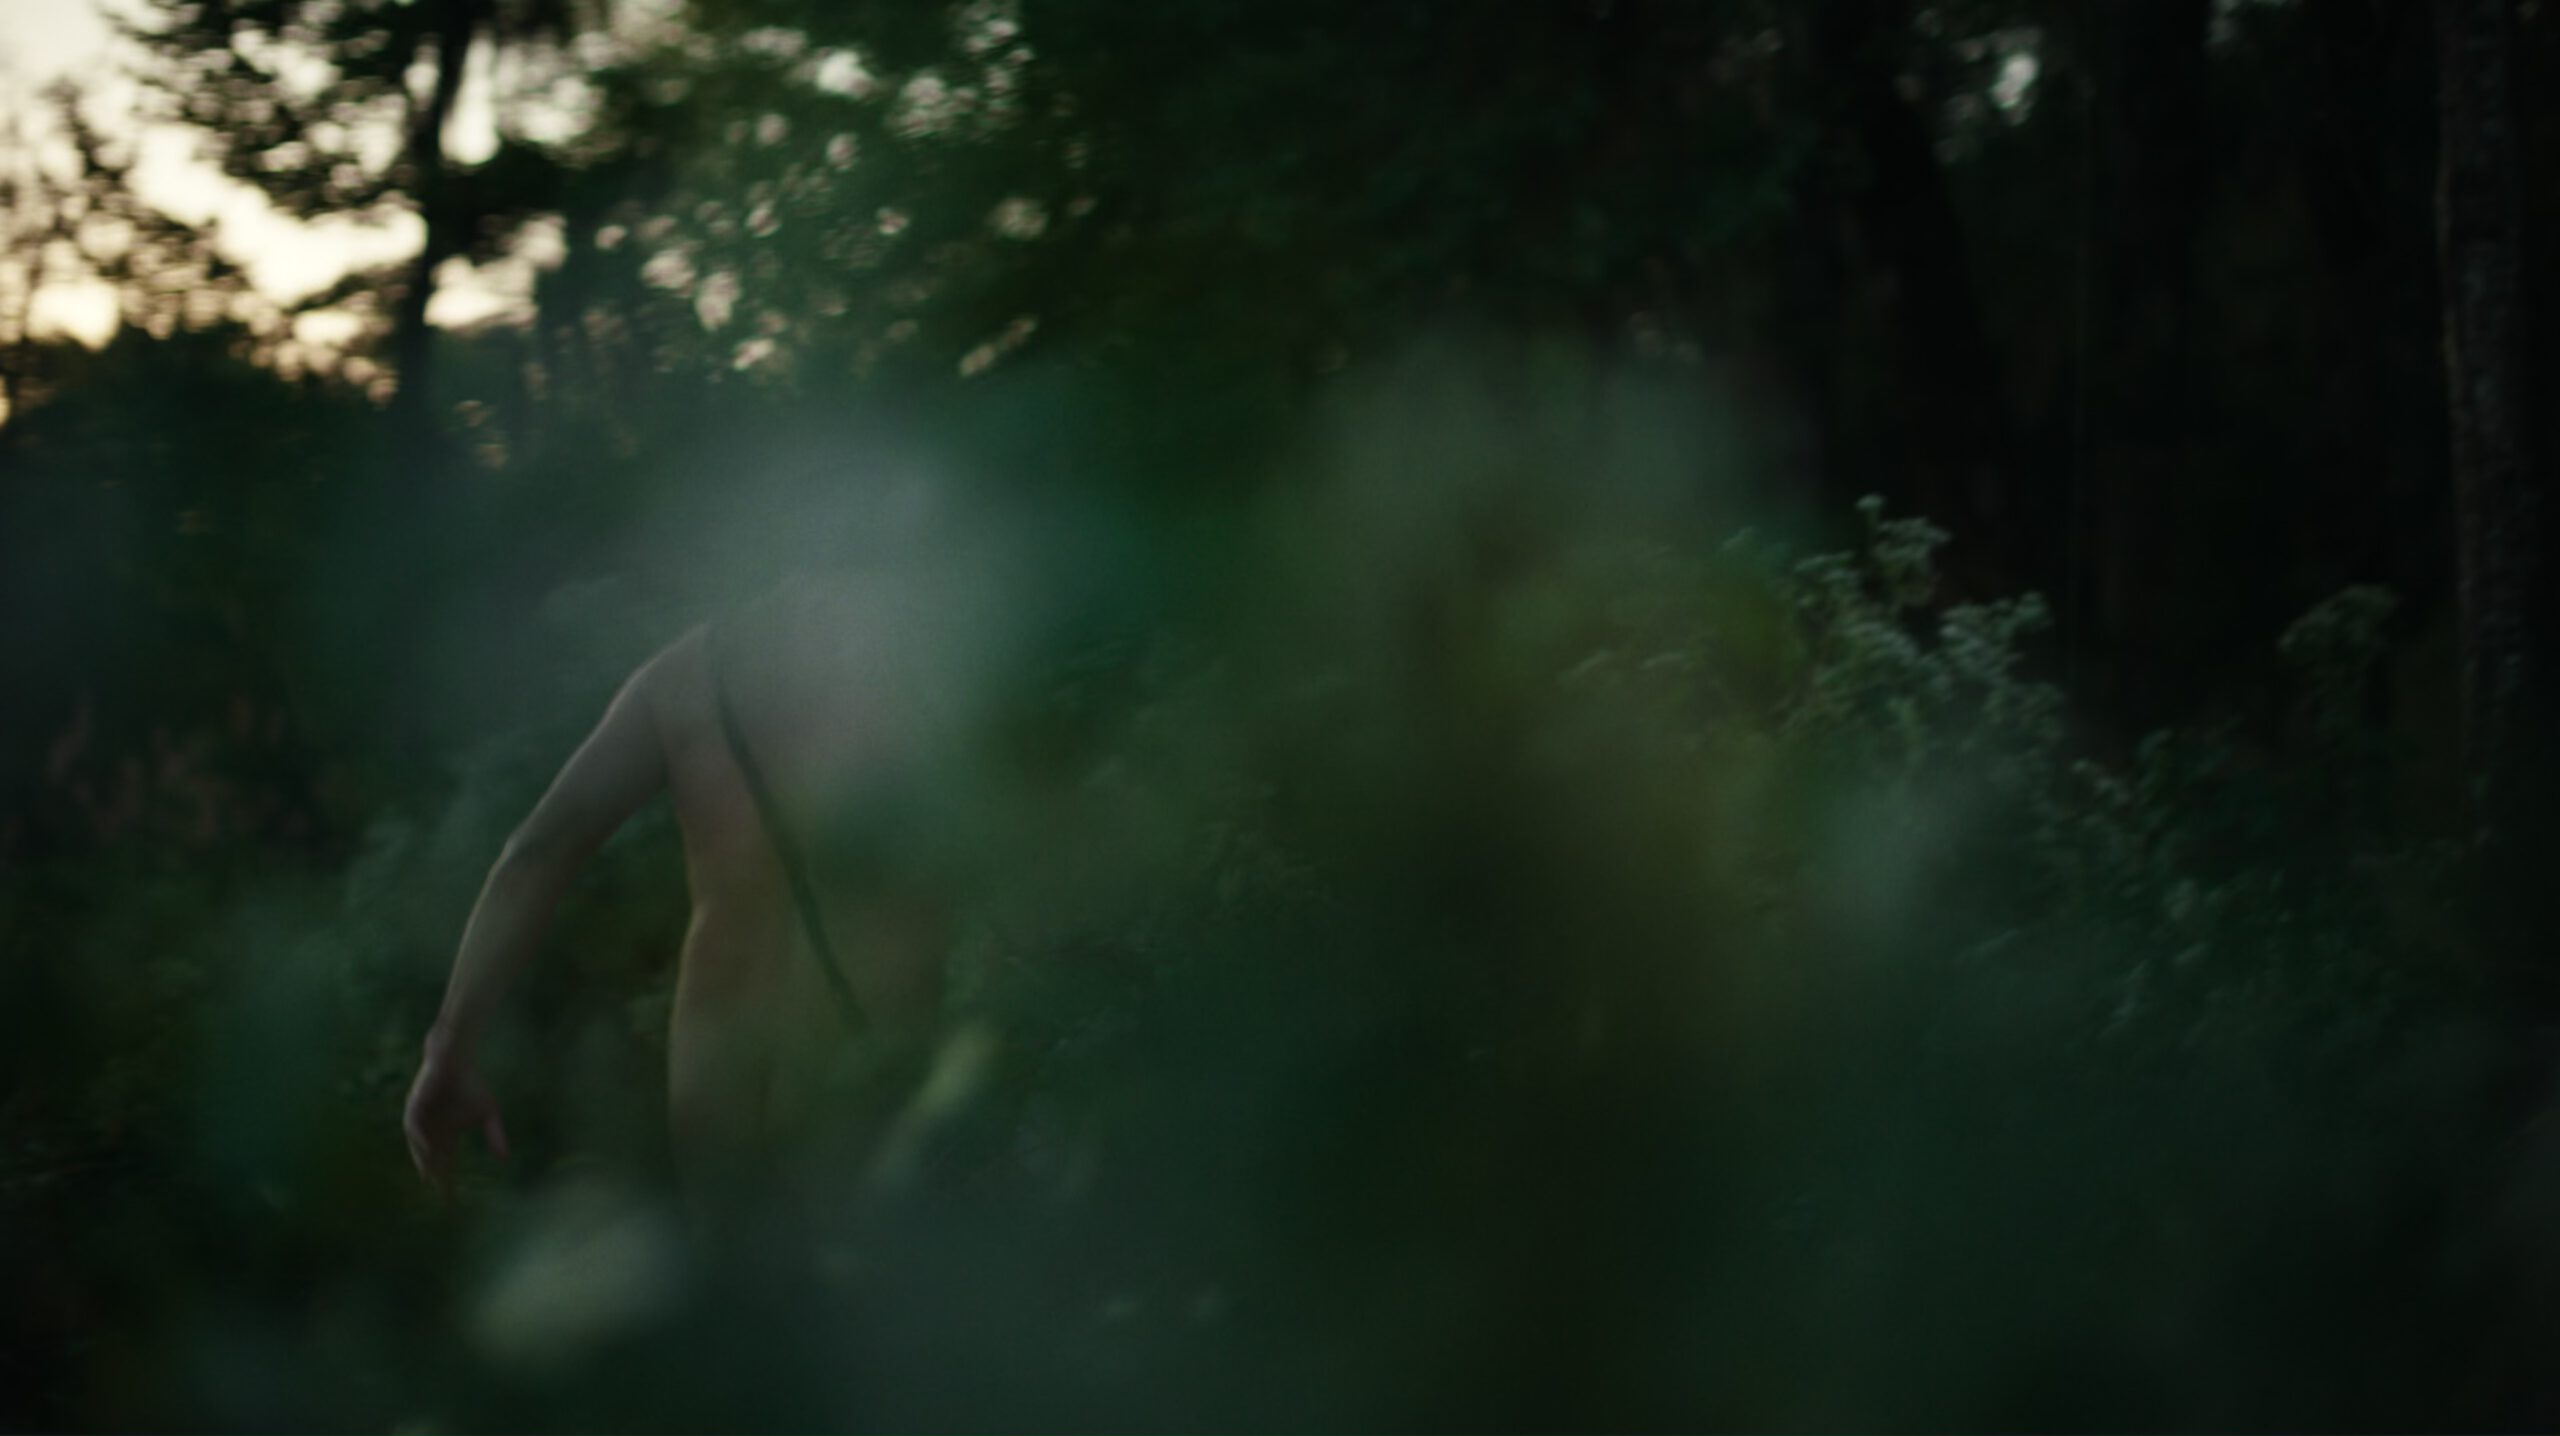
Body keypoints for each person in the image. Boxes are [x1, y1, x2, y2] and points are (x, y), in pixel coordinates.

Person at [401, 572, 965, 1230]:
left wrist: (449, 1048)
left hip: (719, 1080)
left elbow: (536, 852)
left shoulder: (675, 684)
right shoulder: (912, 651)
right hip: (864, 1060)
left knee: (750, 1288)